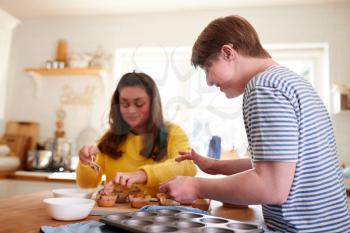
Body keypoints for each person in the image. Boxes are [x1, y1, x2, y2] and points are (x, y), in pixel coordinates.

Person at [160, 15, 350, 232]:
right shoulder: (290, 81)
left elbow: (271, 187)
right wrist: (215, 166)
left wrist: (196, 185)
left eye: (207, 68)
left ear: (228, 53)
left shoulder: (263, 88)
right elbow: (282, 165)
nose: (209, 81)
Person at [76, 72, 196, 195]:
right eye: (125, 104)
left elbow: (188, 167)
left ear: (153, 103)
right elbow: (86, 184)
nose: (131, 110)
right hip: (116, 213)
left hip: (157, 213)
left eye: (139, 104)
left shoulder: (173, 133)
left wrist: (143, 175)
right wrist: (85, 163)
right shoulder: (110, 138)